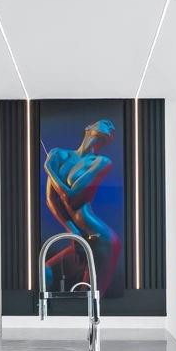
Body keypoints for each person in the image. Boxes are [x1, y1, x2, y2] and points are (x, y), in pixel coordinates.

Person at [41, 117, 121, 295]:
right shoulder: (58, 154)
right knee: (46, 271)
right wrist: (72, 231)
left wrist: (49, 169)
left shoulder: (101, 162)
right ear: (88, 127)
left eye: (112, 127)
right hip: (81, 235)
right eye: (106, 122)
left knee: (90, 297)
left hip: (102, 239)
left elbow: (71, 196)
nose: (111, 125)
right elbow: (51, 200)